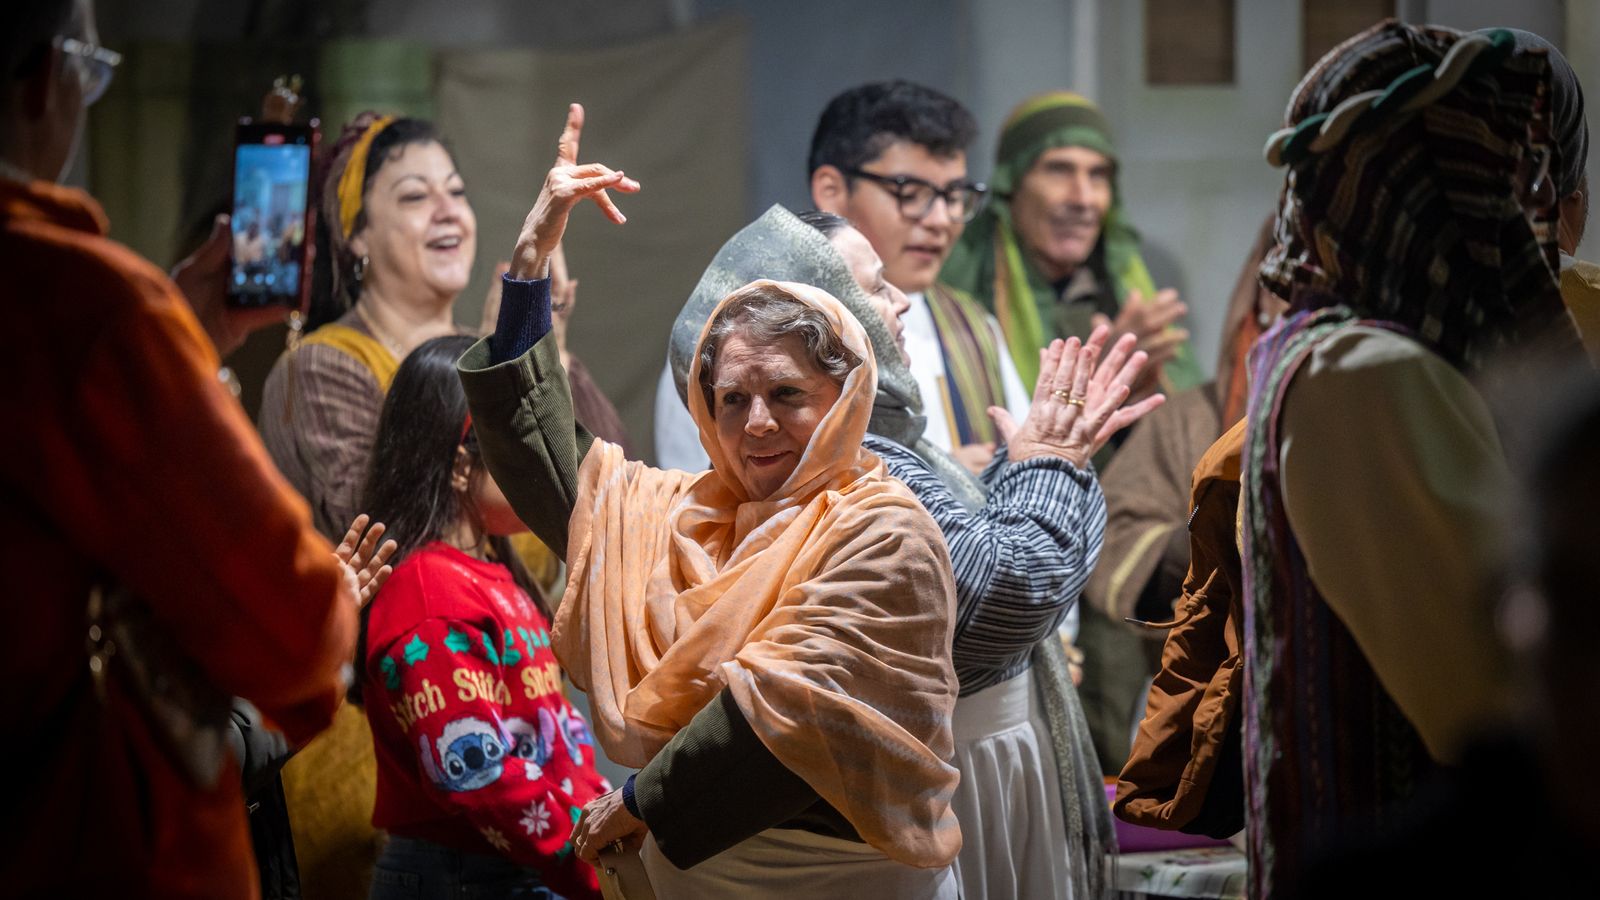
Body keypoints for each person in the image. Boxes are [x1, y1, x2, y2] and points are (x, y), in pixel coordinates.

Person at [462, 104, 964, 898]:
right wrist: (528, 269)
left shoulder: (885, 529)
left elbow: (785, 718)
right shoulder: (675, 517)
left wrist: (640, 801)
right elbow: (546, 457)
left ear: (845, 396)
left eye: (788, 394)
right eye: (732, 399)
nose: (757, 423)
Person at [1, 0, 388, 895]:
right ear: (41, 76)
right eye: (88, 70)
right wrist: (337, 596)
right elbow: (288, 626)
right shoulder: (86, 308)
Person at [665, 204, 1161, 898]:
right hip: (962, 778)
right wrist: (1048, 462)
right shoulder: (852, 461)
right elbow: (996, 597)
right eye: (875, 287)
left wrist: (1018, 468)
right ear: (822, 320)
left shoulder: (877, 440)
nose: (901, 302)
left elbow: (953, 558)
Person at [1240, 23, 1584, 897]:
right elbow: (1502, 709)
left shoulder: (1358, 357)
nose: (1548, 209)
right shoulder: (1367, 374)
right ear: (1460, 188)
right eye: (1529, 172)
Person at [655, 81, 1031, 475]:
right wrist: (937, 481)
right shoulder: (736, 335)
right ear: (832, 190)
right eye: (910, 191)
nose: (939, 220)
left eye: (954, 195)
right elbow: (702, 491)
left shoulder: (974, 325)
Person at [357, 335, 609, 900]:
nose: (539, 465)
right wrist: (590, 869)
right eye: (517, 443)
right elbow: (476, 775)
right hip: (469, 876)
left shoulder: (495, 575)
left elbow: (555, 734)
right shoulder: (427, 592)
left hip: (523, 864)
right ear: (460, 461)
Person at [1079, 216, 1284, 772]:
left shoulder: (1382, 405)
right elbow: (1115, 532)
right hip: (1216, 719)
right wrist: (1219, 537)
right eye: (1285, 272)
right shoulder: (1193, 418)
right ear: (1260, 296)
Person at [942, 91, 1201, 399]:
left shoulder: (1119, 296)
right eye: (1058, 170)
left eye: (1098, 175)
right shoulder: (959, 298)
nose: (1083, 199)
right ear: (1011, 186)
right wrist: (1099, 375)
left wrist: (1138, 381)